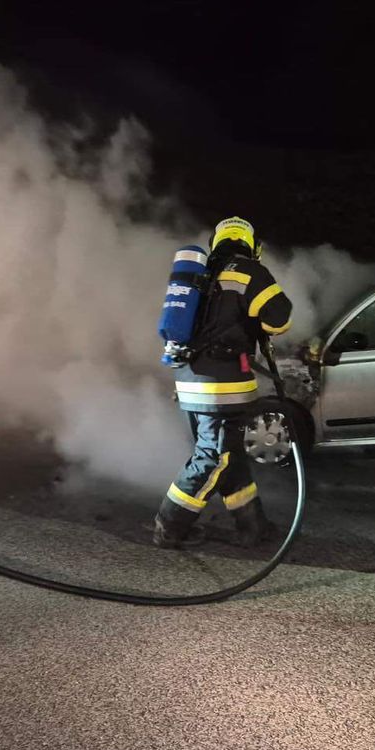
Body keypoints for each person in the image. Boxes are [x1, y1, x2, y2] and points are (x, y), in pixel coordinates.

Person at [154, 216, 293, 549]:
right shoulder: (248, 271)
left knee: (230, 455)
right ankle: (169, 526)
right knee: (214, 458)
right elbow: (280, 320)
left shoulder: (202, 274)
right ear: (252, 245)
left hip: (190, 380)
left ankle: (253, 527)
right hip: (222, 386)